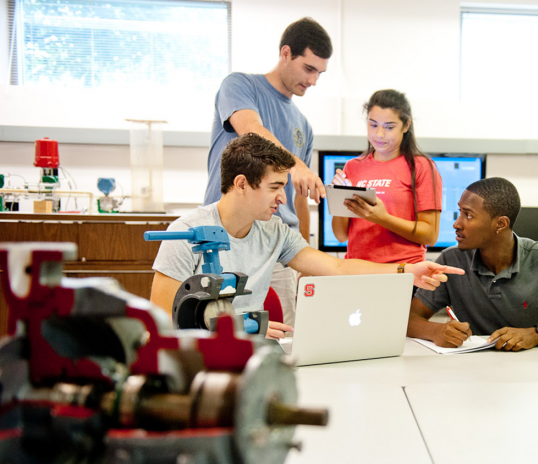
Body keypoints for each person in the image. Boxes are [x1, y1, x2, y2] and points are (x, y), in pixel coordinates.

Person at [152, 133, 463, 339]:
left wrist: (408, 271)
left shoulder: (274, 232)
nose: (283, 199)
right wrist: (236, 327)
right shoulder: (186, 233)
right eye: (275, 188)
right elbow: (163, 322)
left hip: (251, 356)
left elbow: (338, 267)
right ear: (242, 183)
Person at [203, 17, 331, 328]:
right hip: (226, 237)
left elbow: (298, 198)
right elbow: (252, 130)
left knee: (285, 337)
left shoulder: (304, 125)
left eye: (320, 73)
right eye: (309, 68)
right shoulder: (239, 86)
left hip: (278, 244)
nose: (313, 80)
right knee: (220, 333)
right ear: (286, 53)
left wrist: (304, 252)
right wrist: (296, 164)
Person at [406, 177, 538, 351]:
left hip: (534, 369)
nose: (456, 224)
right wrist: (436, 331)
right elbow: (409, 320)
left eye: (468, 215)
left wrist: (537, 334)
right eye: (459, 212)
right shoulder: (451, 261)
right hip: (471, 367)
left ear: (500, 224)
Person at [330, 90, 442, 264]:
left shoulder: (421, 167)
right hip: (357, 269)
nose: (379, 135)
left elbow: (430, 235)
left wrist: (382, 218)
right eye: (373, 125)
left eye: (389, 127)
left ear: (406, 126)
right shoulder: (352, 166)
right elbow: (340, 235)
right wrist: (339, 198)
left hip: (402, 270)